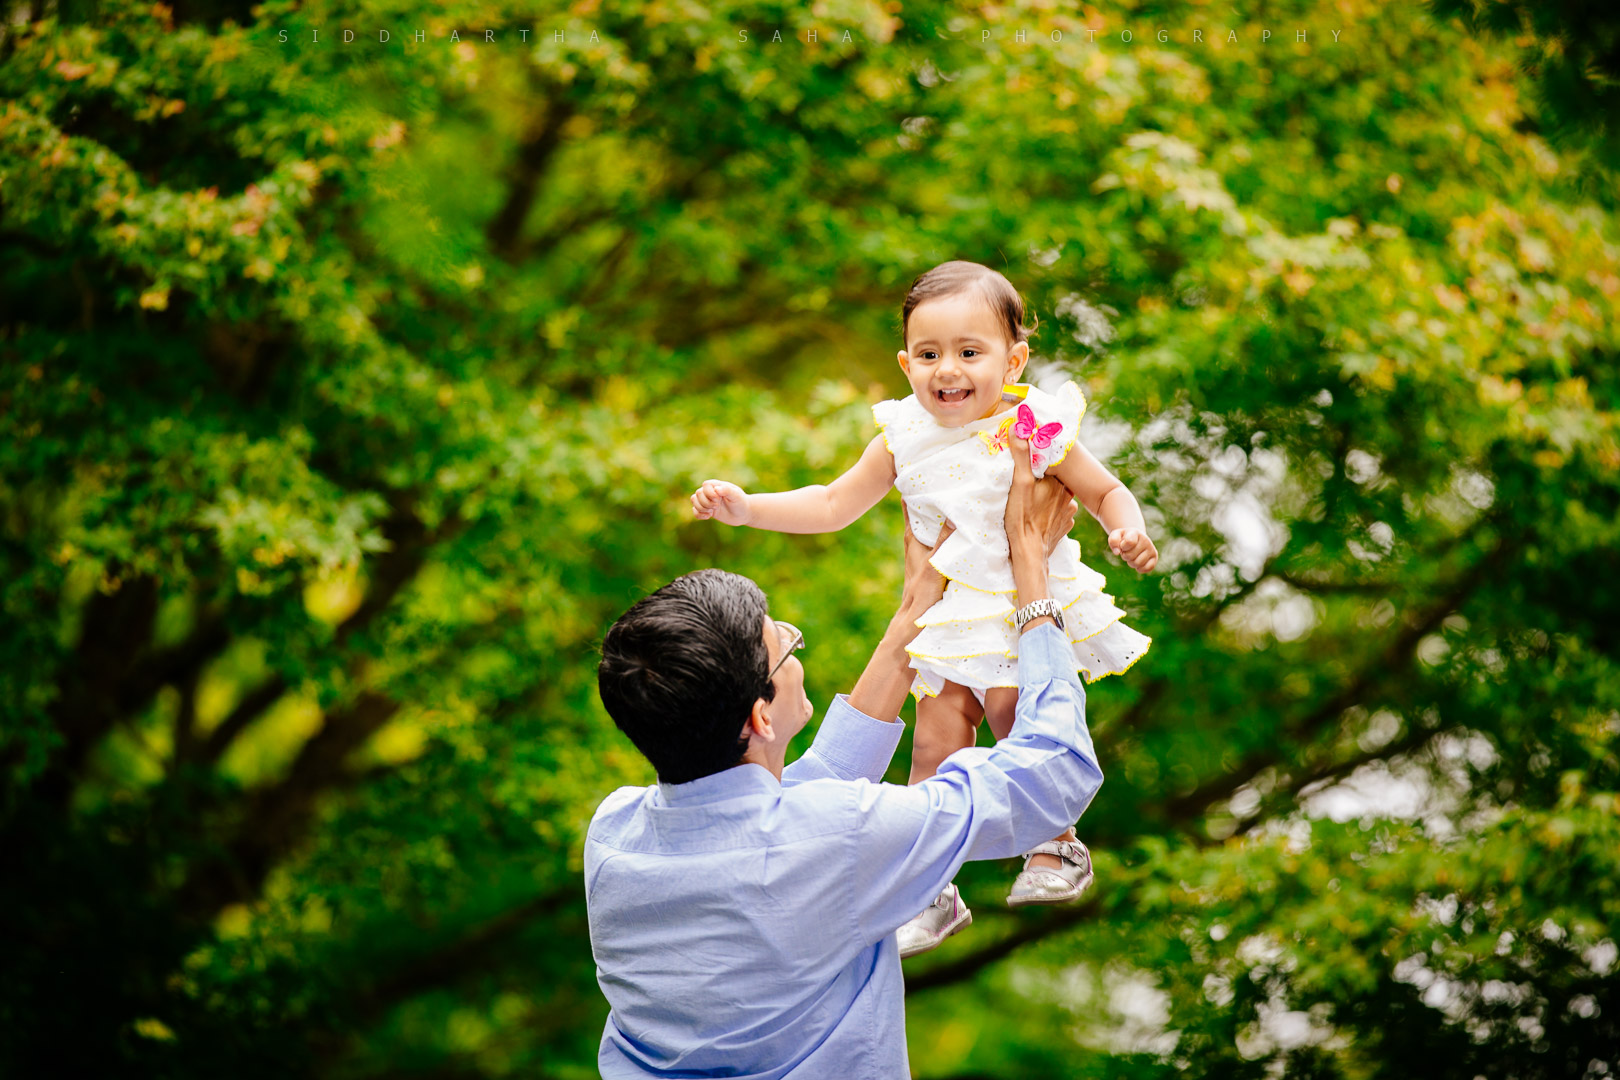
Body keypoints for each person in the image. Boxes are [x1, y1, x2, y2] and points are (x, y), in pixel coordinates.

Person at [588, 433, 1104, 1078]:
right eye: (786, 649)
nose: (797, 658)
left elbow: (796, 802)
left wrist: (916, 609)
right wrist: (1032, 576)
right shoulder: (844, 836)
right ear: (760, 714)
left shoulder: (614, 836)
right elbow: (1055, 771)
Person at [690, 260, 1157, 956]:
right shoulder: (902, 437)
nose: (949, 369)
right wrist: (748, 508)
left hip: (1017, 609)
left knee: (1012, 717)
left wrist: (1128, 528)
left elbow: (1103, 490)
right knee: (932, 749)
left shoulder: (1033, 428)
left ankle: (1057, 844)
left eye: (971, 352)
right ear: (906, 363)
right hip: (947, 620)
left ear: (1013, 359)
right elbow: (830, 503)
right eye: (931, 354)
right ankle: (929, 890)